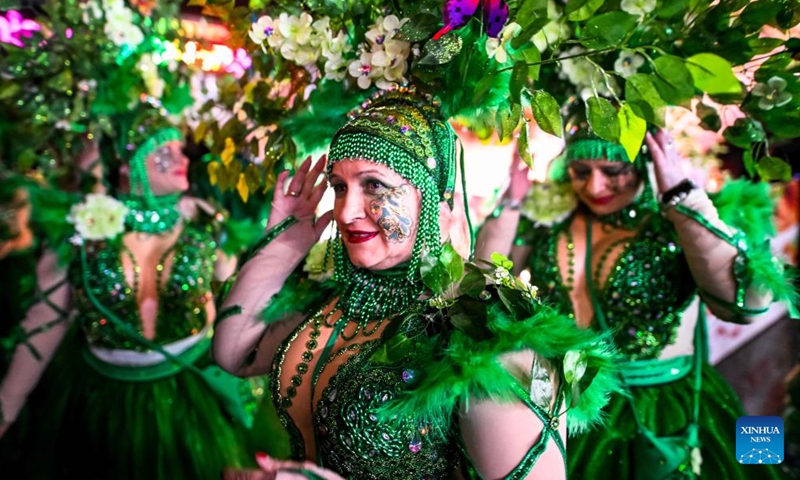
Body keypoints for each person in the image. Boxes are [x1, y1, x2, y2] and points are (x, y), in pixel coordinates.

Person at [212, 87, 620, 480]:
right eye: (339, 187)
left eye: (374, 185)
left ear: (431, 197)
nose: (345, 211)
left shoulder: (484, 330)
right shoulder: (340, 294)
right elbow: (235, 355)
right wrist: (284, 246)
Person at [475, 103, 795, 479]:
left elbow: (742, 305)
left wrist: (681, 196)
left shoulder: (676, 224)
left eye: (613, 171)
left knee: (759, 464)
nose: (595, 187)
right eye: (581, 172)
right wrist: (512, 202)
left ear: (643, 163)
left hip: (666, 409)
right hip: (570, 409)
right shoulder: (547, 224)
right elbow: (483, 284)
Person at [0, 113, 267, 479]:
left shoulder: (208, 226)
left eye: (180, 149)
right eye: (164, 152)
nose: (182, 158)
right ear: (127, 164)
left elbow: (237, 312)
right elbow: (44, 325)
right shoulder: (81, 230)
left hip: (191, 405)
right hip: (100, 407)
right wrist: (5, 409)